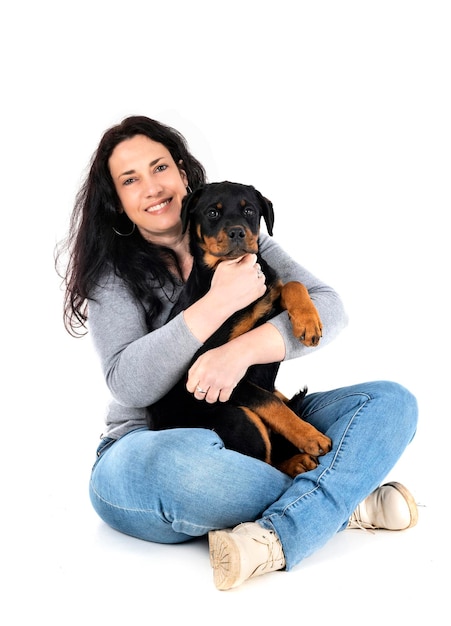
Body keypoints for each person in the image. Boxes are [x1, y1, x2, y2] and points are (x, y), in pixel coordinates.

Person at [56, 115, 419, 591]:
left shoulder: (245, 237)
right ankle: (342, 502)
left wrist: (241, 351)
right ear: (119, 203)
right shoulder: (113, 276)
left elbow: (331, 309)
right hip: (152, 444)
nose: (151, 186)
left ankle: (282, 528)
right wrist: (217, 303)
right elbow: (129, 383)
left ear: (183, 174)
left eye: (159, 167)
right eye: (130, 180)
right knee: (189, 467)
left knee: (392, 403)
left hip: (264, 413)